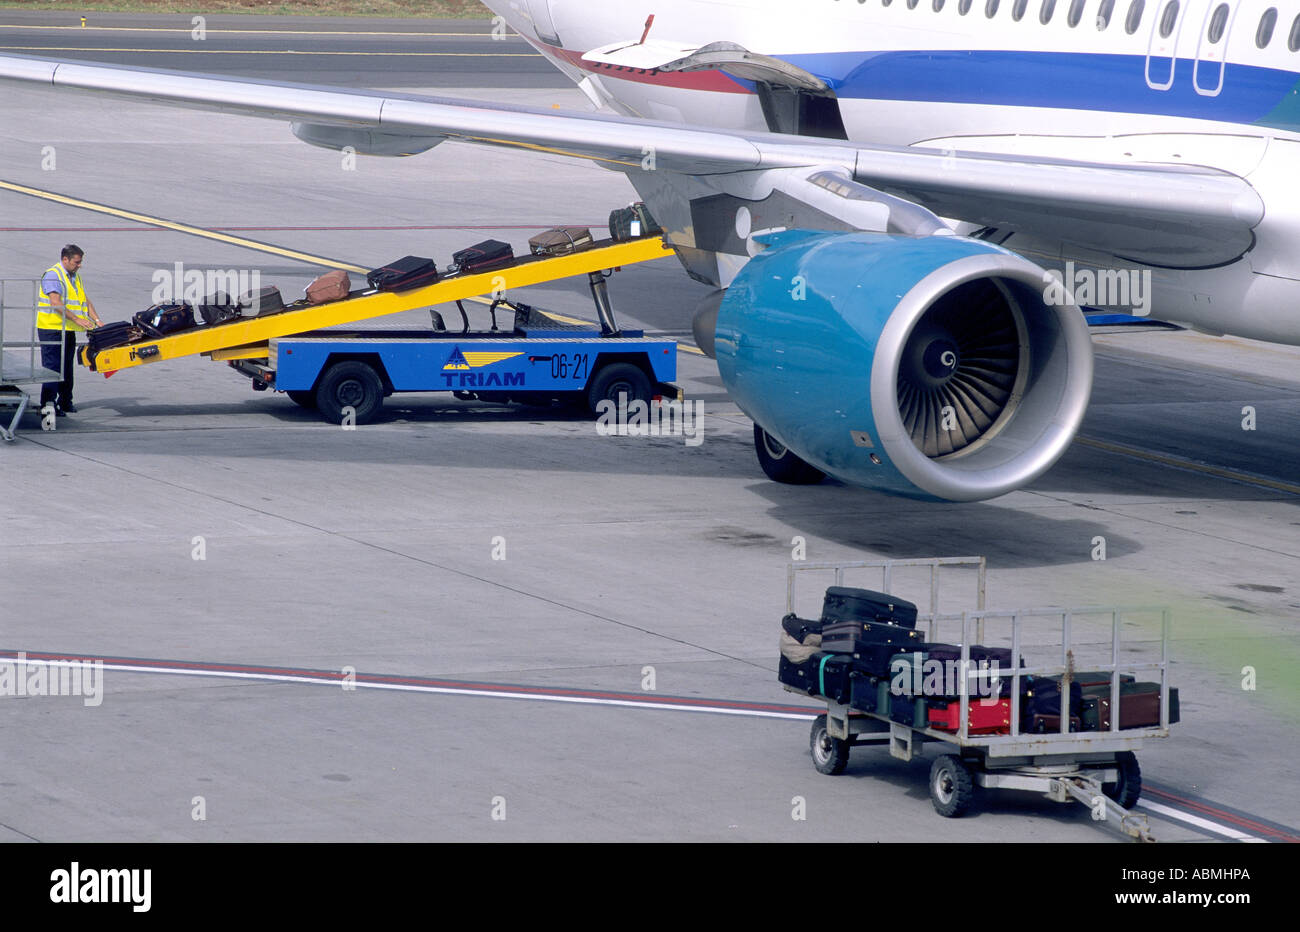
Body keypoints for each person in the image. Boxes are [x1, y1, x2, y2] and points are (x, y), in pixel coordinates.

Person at [37, 244, 101, 415]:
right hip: (51, 328)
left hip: (67, 329)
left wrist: (96, 320)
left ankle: (65, 401)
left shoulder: (74, 276)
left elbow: (85, 300)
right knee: (52, 369)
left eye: (80, 262)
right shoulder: (53, 275)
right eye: (76, 262)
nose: (79, 265)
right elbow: (55, 303)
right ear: (65, 259)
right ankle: (48, 405)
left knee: (66, 368)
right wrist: (78, 319)